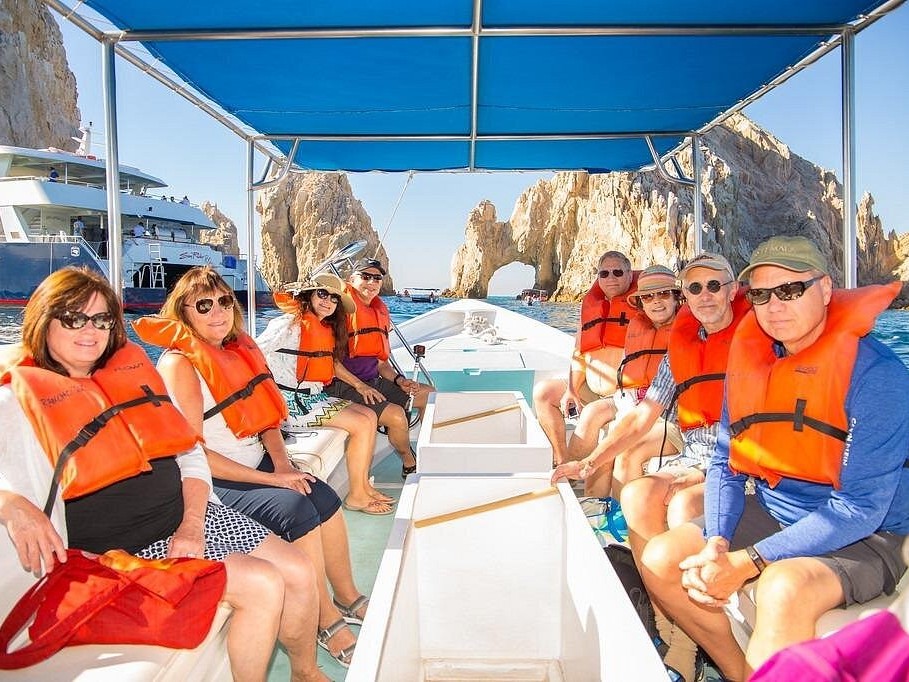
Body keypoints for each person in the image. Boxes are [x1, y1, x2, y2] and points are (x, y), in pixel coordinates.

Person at [0, 267, 328, 682]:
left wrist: (193, 523)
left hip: (191, 516)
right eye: (73, 318)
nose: (90, 330)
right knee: (262, 582)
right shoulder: (16, 399)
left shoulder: (129, 375)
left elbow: (189, 454)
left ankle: (305, 671)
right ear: (43, 321)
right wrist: (9, 502)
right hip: (120, 551)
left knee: (298, 570)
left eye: (101, 319)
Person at [638, 236, 909, 680]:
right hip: (777, 509)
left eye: (790, 290)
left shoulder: (878, 376)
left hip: (869, 533)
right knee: (663, 558)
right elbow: (725, 462)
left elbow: (861, 508)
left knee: (782, 589)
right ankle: (739, 672)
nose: (774, 306)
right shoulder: (751, 366)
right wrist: (718, 542)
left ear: (825, 290)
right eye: (761, 295)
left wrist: (750, 562)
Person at [135, 266, 371, 667]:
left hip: (261, 463)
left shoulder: (238, 348)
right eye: (204, 305)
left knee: (323, 497)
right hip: (218, 477)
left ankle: (345, 595)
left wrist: (282, 465)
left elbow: (267, 420)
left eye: (225, 301)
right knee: (298, 510)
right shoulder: (179, 364)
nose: (218, 312)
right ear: (184, 312)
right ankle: (325, 621)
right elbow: (193, 454)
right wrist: (271, 479)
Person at [552, 252, 750, 682]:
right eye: (694, 288)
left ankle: (685, 650)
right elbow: (641, 417)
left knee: (678, 509)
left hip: (740, 462)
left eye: (714, 285)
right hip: (696, 456)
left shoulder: (758, 337)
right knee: (637, 493)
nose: (704, 295)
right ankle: (664, 629)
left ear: (733, 290)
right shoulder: (681, 349)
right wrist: (588, 461)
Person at [257, 272, 394, 515]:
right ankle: (357, 496)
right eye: (322, 294)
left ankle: (362, 486)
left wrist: (360, 385)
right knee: (362, 424)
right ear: (308, 295)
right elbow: (254, 352)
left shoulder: (323, 327)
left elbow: (328, 363)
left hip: (313, 398)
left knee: (369, 416)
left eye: (334, 298)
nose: (328, 301)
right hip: (292, 404)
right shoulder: (287, 324)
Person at [575, 265, 684, 499]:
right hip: (637, 410)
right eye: (648, 296)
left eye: (664, 294)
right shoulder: (637, 330)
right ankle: (595, 505)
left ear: (677, 297)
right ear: (641, 302)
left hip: (675, 422)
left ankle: (621, 517)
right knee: (607, 439)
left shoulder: (687, 334)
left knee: (627, 448)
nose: (656, 301)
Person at [324, 258, 433, 480]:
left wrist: (400, 381)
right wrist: (360, 386)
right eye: (365, 276)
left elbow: (382, 364)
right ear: (351, 280)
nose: (371, 282)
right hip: (342, 385)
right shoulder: (338, 313)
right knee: (396, 416)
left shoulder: (378, 312)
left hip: (373, 381)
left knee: (429, 394)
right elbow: (329, 362)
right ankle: (408, 460)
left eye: (377, 278)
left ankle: (431, 453)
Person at [534, 251, 637, 465]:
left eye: (618, 272)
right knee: (543, 393)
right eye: (604, 273)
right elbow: (580, 354)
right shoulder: (591, 307)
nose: (611, 278)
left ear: (629, 274)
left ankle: (569, 471)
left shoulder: (642, 306)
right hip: (591, 388)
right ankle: (561, 459)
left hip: (624, 395)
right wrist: (571, 389)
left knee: (591, 413)